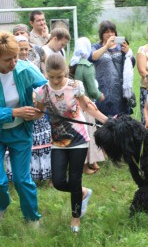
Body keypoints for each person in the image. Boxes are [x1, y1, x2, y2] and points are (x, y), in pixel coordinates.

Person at [0, 31, 45, 225]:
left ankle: (31, 218)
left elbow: (46, 89)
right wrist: (15, 112)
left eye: (15, 57)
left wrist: (40, 108)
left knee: (22, 179)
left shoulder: (24, 68)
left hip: (20, 132)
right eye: (7, 60)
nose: (13, 63)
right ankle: (1, 206)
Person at [34, 54, 108, 233]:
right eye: (51, 77)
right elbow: (38, 113)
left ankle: (75, 219)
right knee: (58, 181)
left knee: (75, 178)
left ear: (66, 72)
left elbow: (87, 107)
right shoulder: (42, 91)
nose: (56, 80)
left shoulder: (75, 86)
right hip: (58, 141)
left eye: (59, 76)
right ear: (46, 73)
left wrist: (107, 121)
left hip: (79, 138)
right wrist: (28, 110)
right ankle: (82, 192)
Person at [4, 35, 52, 183]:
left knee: (39, 144)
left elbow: (43, 86)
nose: (24, 52)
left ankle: (40, 174)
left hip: (34, 110)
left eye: (26, 49)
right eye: (21, 49)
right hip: (17, 114)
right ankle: (21, 176)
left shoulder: (30, 66)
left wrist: (37, 97)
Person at [70, 37, 105, 174]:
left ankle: (92, 162)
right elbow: (91, 89)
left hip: (73, 104)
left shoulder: (73, 63)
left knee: (80, 134)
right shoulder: (86, 66)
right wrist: (99, 95)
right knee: (88, 134)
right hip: (86, 104)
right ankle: (85, 166)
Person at [89, 20, 135, 116]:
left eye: (112, 31)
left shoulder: (121, 46)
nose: (110, 34)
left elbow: (131, 64)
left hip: (120, 89)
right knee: (104, 121)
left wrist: (128, 52)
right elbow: (92, 57)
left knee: (122, 121)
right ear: (101, 33)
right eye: (106, 32)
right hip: (103, 89)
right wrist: (106, 46)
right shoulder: (96, 46)